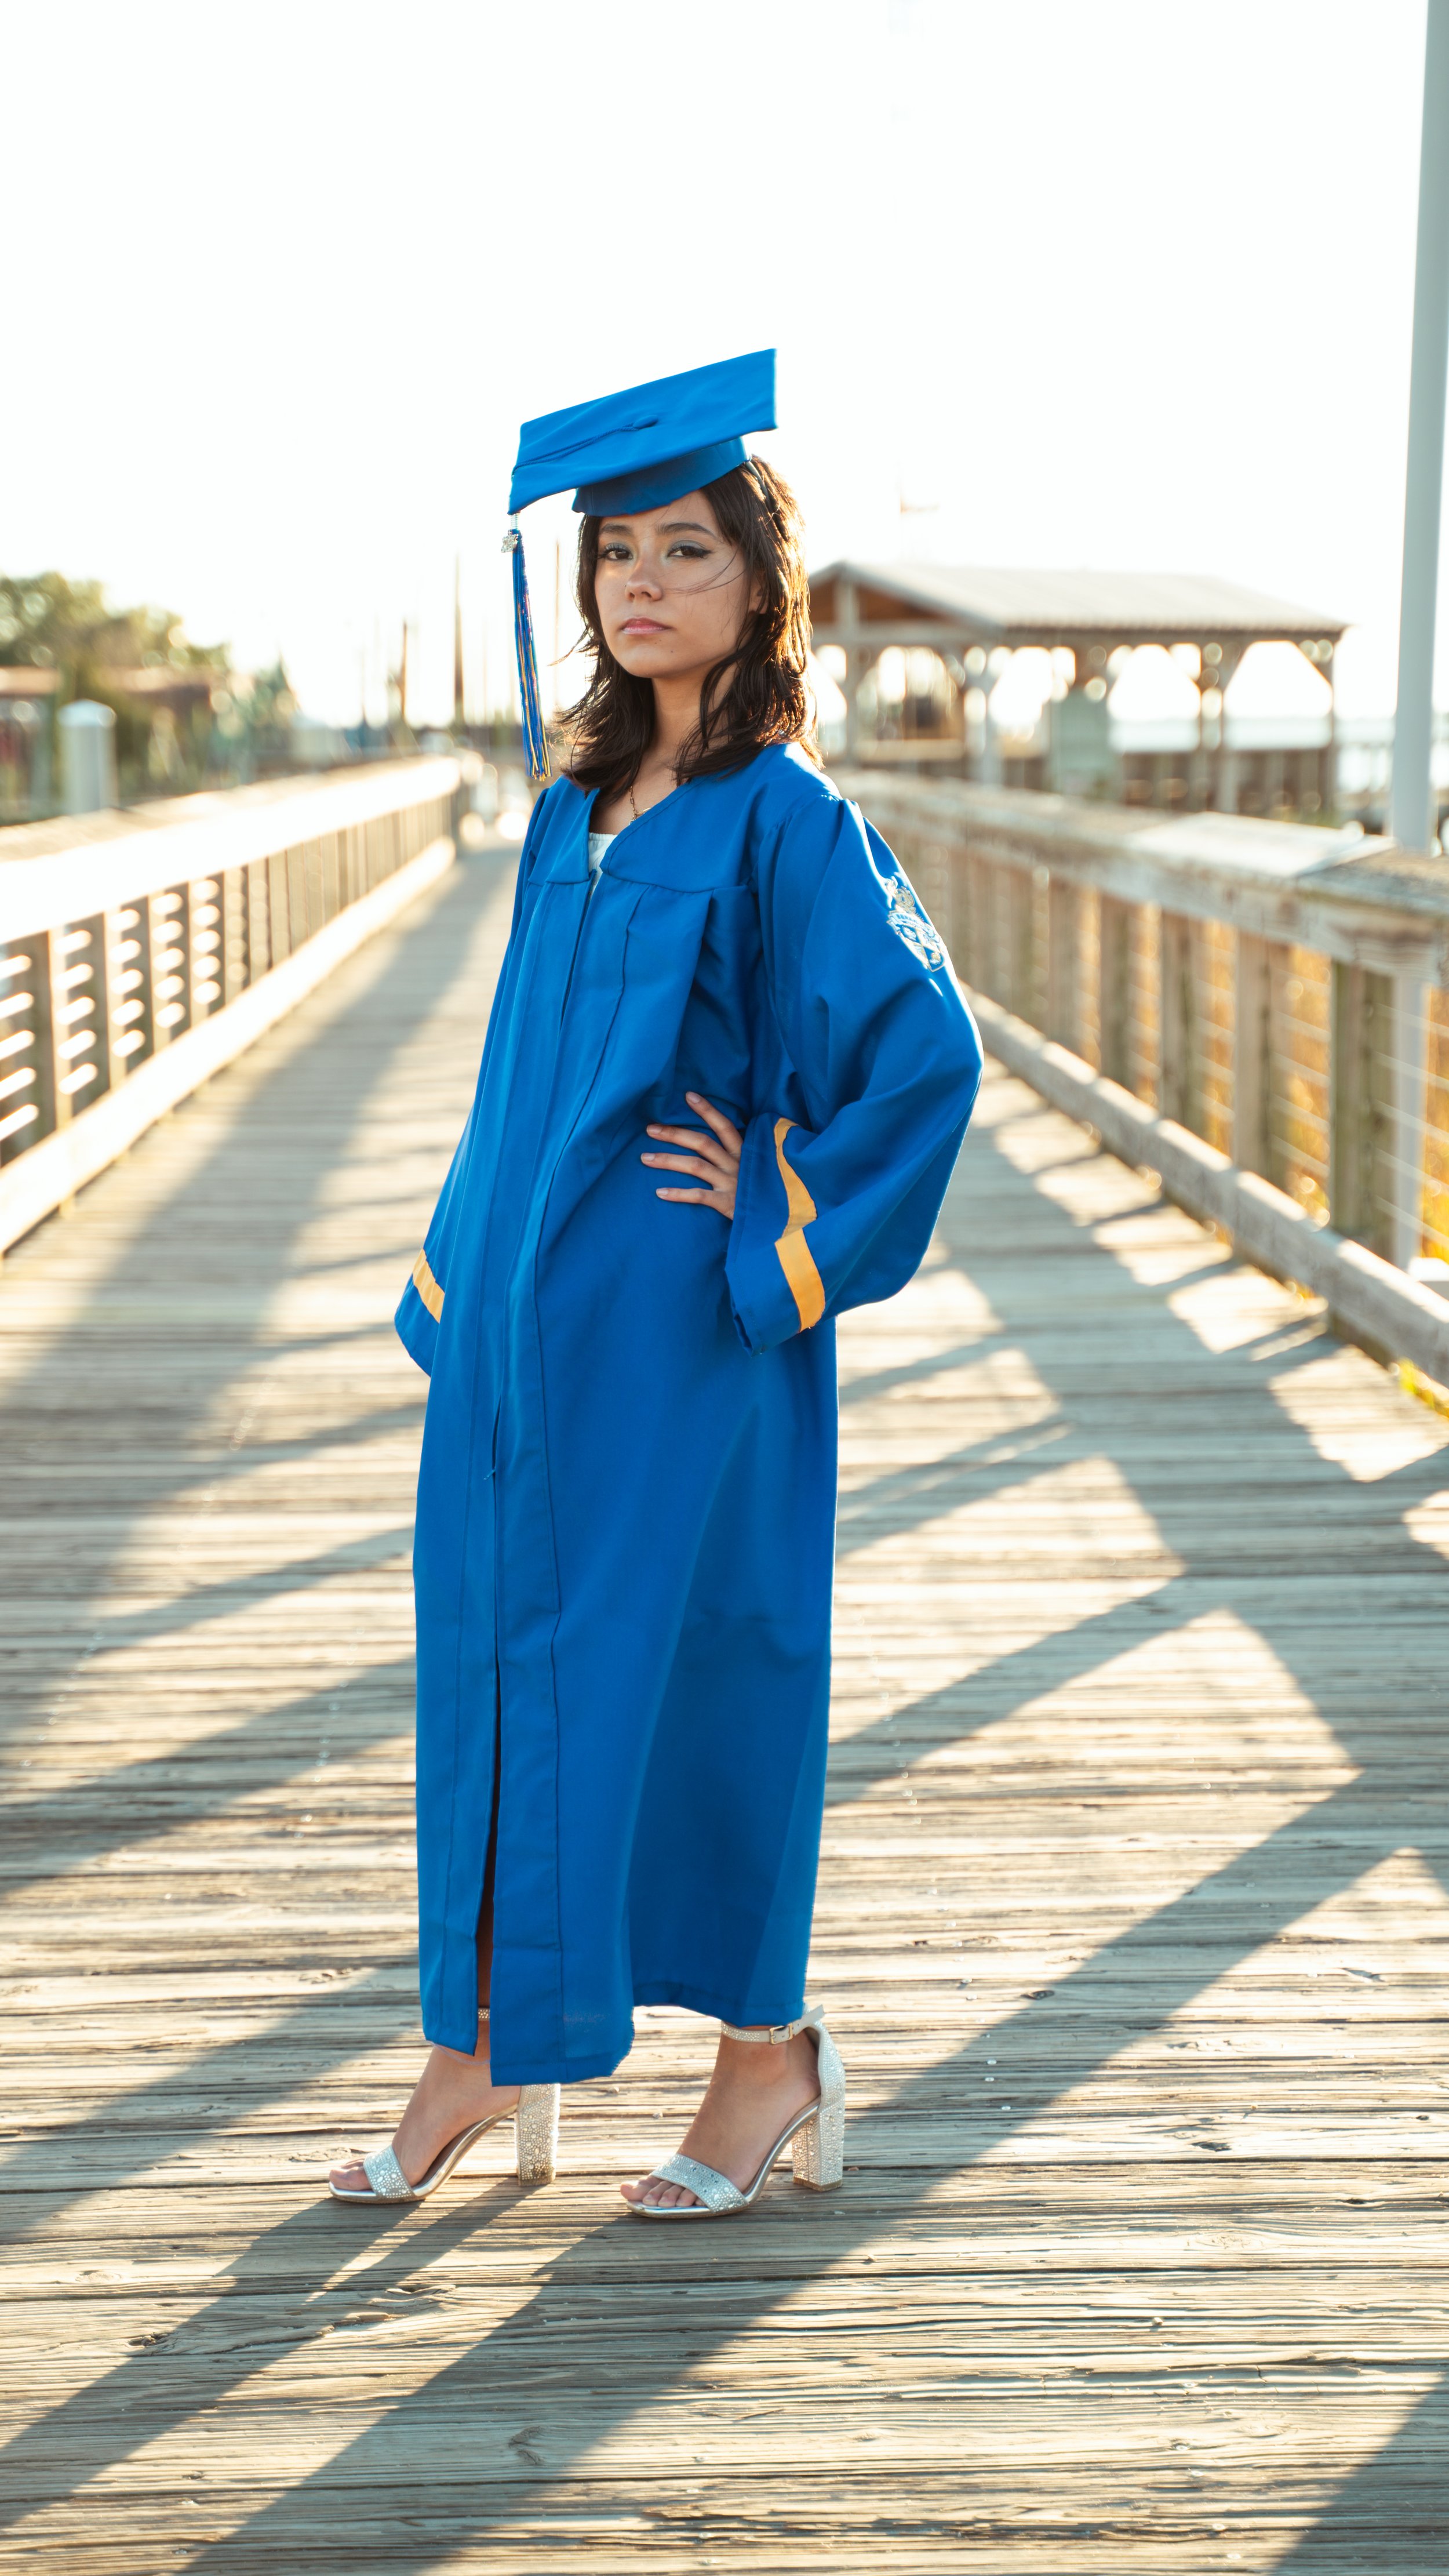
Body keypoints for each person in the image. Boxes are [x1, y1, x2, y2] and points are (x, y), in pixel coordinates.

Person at [330, 351, 982, 2217]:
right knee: (490, 1661)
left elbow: (919, 1057)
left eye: (682, 549)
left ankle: (762, 2058)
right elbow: (511, 1069)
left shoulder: (785, 819)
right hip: (532, 1334)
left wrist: (782, 1203)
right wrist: (462, 1275)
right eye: (617, 551)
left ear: (754, 583)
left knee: (701, 1671)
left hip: (693, 1332)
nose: (640, 582)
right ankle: (474, 2046)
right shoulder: (570, 810)